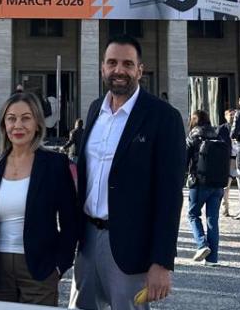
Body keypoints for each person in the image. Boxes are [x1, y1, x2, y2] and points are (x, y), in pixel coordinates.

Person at [70, 34, 185, 310]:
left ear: (140, 70)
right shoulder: (95, 109)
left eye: (127, 64)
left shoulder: (163, 117)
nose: (119, 70)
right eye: (112, 63)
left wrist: (162, 262)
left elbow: (170, 196)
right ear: (102, 68)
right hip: (87, 240)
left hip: (131, 246)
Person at [0, 92, 77, 306]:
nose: (18, 125)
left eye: (26, 118)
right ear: (4, 125)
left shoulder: (55, 165)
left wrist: (59, 266)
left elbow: (71, 221)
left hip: (40, 270)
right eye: (11, 118)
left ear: (37, 124)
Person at [185, 110, 230, 266]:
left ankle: (202, 244)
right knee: (213, 220)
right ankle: (212, 259)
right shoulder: (217, 135)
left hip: (199, 183)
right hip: (217, 184)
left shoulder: (193, 136)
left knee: (193, 215)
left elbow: (184, 159)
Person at [221, 109, 238, 217]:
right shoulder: (222, 129)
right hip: (229, 159)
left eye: (234, 115)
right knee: (226, 185)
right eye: (230, 115)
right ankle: (225, 208)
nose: (232, 117)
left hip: (239, 159)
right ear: (225, 116)